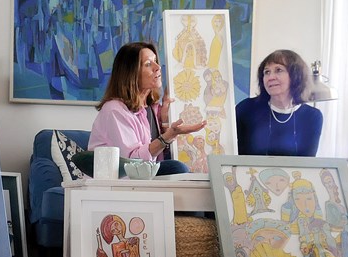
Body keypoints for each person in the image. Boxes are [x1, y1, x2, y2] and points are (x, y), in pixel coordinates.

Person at [88, 41, 206, 175]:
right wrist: (167, 136)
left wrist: (165, 122)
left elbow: (160, 156)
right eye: (148, 64)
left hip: (143, 176)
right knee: (177, 169)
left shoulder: (152, 108)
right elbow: (133, 162)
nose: (157, 67)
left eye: (156, 61)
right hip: (119, 180)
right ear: (131, 73)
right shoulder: (114, 110)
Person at [235, 49, 323, 156]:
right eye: (267, 72)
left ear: (295, 76)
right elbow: (233, 154)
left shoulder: (312, 116)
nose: (271, 77)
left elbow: (308, 163)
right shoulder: (246, 109)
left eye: (278, 70)